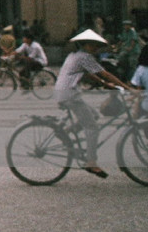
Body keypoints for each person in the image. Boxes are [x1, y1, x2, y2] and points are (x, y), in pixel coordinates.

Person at [54, 29, 133, 178]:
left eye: (97, 45)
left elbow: (88, 74)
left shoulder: (74, 55)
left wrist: (104, 84)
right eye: (93, 45)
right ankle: (91, 162)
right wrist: (128, 88)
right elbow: (105, 73)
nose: (96, 48)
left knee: (94, 115)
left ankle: (65, 133)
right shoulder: (84, 57)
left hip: (63, 92)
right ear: (85, 44)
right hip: (70, 94)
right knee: (92, 127)